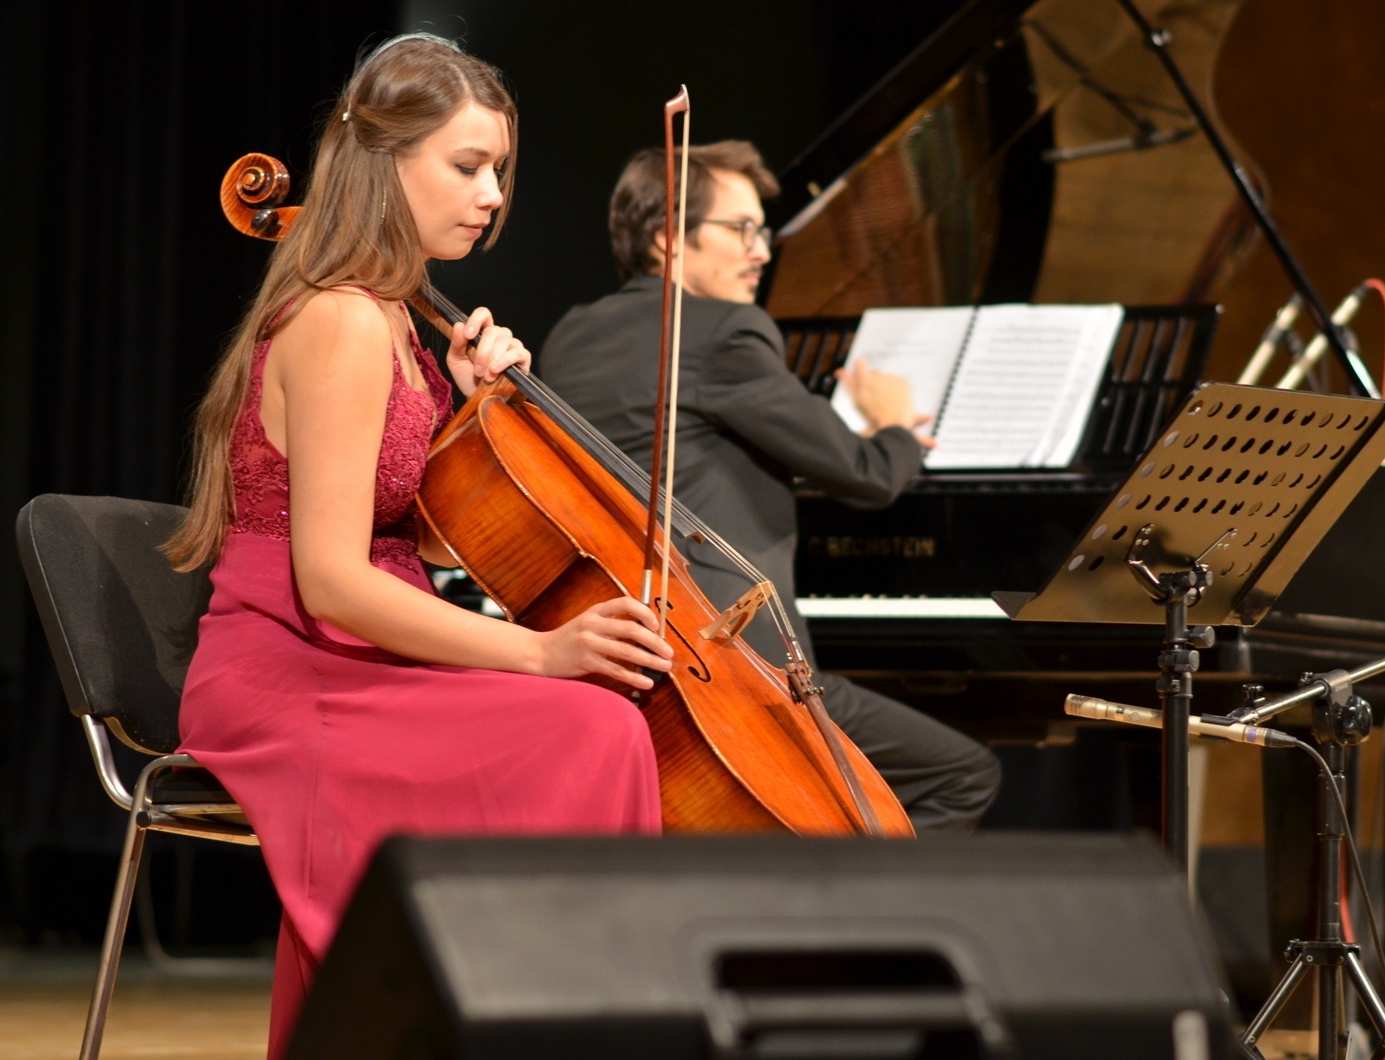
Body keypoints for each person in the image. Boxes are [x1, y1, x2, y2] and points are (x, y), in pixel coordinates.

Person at [163, 35, 673, 1058]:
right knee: (593, 729)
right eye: (466, 164)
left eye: (500, 170)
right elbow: (334, 580)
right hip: (291, 666)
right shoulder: (346, 323)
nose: (491, 194)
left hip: (341, 649)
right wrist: (542, 651)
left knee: (599, 721)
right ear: (384, 162)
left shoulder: (395, 324)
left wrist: (471, 414)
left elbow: (413, 533)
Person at [539, 140, 1001, 835]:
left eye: (763, 231)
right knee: (963, 774)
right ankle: (832, 920)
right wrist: (896, 425)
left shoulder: (572, 334)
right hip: (741, 674)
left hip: (619, 663)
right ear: (669, 237)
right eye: (742, 229)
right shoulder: (725, 331)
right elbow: (866, 474)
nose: (761, 250)